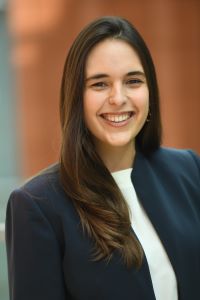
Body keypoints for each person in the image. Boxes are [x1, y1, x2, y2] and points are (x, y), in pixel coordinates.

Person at [5, 16, 200, 300]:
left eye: (133, 81)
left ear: (150, 91)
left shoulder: (188, 170)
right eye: (99, 84)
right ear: (76, 97)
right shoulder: (37, 205)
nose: (118, 97)